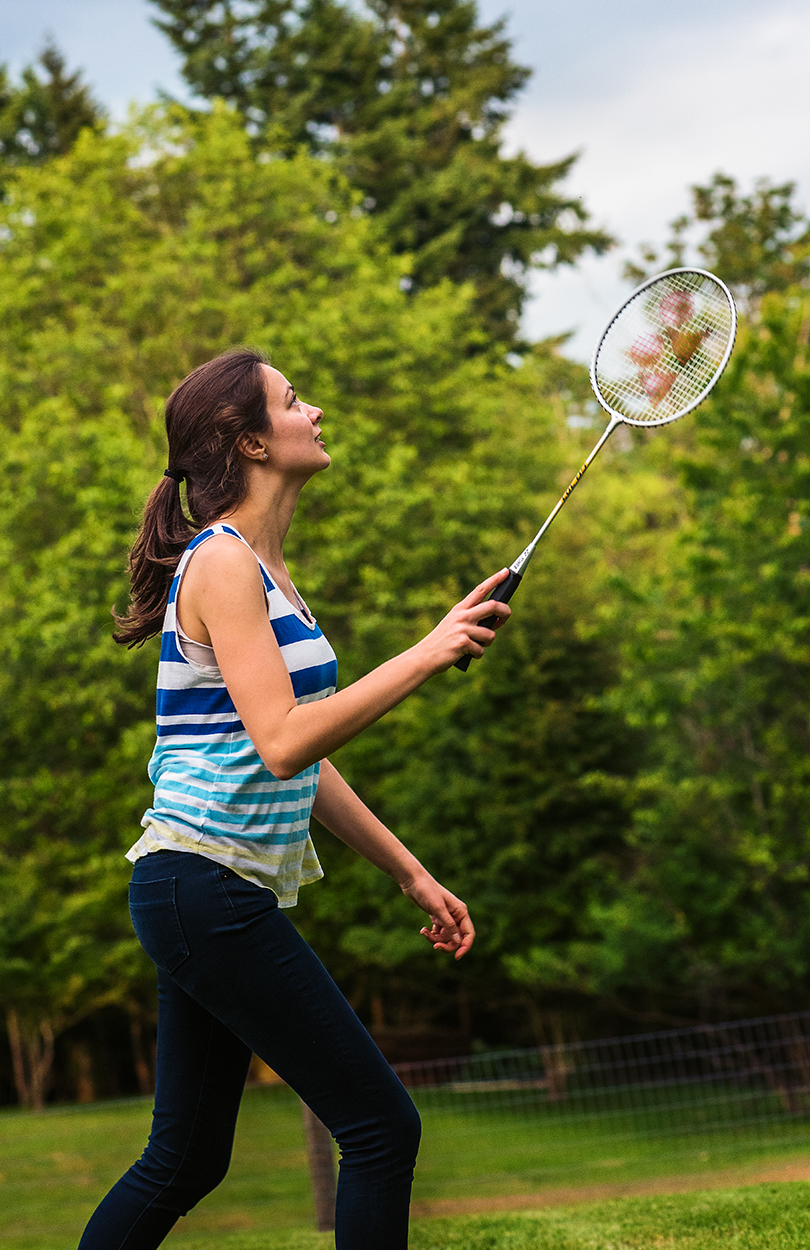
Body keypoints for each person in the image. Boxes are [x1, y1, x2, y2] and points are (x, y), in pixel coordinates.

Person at [78, 348, 510, 1250]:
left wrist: (410, 874)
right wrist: (426, 652)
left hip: (201, 892)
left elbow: (298, 752)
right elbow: (282, 743)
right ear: (251, 444)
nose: (312, 410)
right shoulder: (223, 563)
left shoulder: (270, 577)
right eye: (291, 400)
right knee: (381, 1127)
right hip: (203, 888)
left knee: (187, 1159)